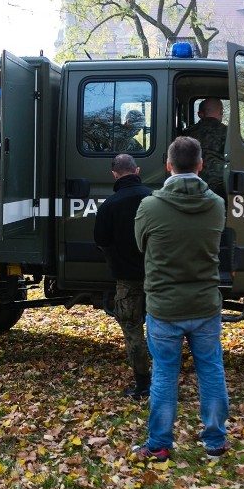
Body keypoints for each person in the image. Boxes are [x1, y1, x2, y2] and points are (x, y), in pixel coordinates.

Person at [132, 136, 229, 463]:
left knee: (163, 374)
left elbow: (141, 245)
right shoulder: (216, 204)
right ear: (200, 165)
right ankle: (215, 441)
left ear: (168, 165)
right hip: (204, 304)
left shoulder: (149, 206)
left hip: (164, 307)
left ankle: (159, 444)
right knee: (211, 370)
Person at [92, 154, 152, 399]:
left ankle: (142, 385)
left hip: (127, 281)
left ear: (114, 174)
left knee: (132, 331)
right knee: (163, 330)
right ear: (137, 170)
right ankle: (164, 381)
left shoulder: (109, 205)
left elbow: (101, 242)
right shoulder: (154, 199)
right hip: (158, 279)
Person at [185, 98, 227, 197]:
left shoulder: (188, 133)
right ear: (221, 111)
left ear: (200, 114)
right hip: (219, 187)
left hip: (190, 185)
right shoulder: (227, 132)